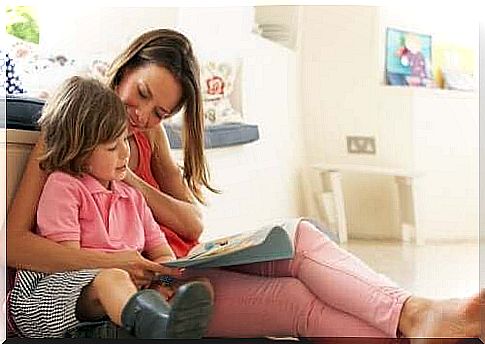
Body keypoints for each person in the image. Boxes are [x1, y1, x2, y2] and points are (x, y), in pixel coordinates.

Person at [6, 28, 482, 341]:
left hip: (177, 267)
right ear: (124, 68)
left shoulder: (142, 139)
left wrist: (131, 180)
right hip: (140, 281)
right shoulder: (73, 133)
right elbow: (17, 244)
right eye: (142, 95)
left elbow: (191, 220)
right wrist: (129, 263)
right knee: (296, 301)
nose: (141, 118)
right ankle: (418, 325)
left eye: (160, 113)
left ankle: (417, 314)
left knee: (299, 237)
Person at [8, 76, 214, 339]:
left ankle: (153, 322)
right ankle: (154, 327)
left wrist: (162, 280)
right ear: (80, 152)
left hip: (114, 290)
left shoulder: (133, 198)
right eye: (111, 147)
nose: (124, 154)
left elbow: (162, 254)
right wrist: (125, 272)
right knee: (112, 279)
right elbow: (71, 264)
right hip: (51, 293)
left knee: (197, 283)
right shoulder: (64, 187)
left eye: (124, 142)